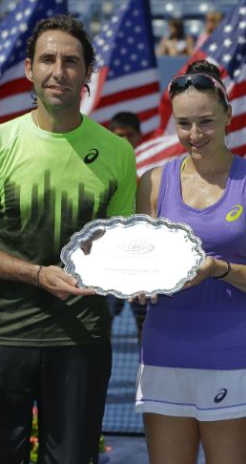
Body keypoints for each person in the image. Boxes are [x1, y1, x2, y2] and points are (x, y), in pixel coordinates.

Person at [0, 15, 138, 464]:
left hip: (82, 342)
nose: (59, 71)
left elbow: (120, 248)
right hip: (0, 336)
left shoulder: (118, 152)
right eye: (48, 59)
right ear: (29, 69)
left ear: (88, 73)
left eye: (72, 61)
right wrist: (36, 274)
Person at [134, 59, 246, 464]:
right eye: (183, 124)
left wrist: (219, 269)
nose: (194, 134)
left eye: (205, 121)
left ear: (227, 116)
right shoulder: (152, 182)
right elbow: (142, 267)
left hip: (231, 356)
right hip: (163, 353)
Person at [106, 111, 146, 345]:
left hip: (141, 265)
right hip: (109, 263)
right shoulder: (99, 173)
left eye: (129, 135)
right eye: (119, 135)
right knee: (102, 323)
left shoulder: (148, 176)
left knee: (147, 325)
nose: (125, 141)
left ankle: (147, 376)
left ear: (139, 137)